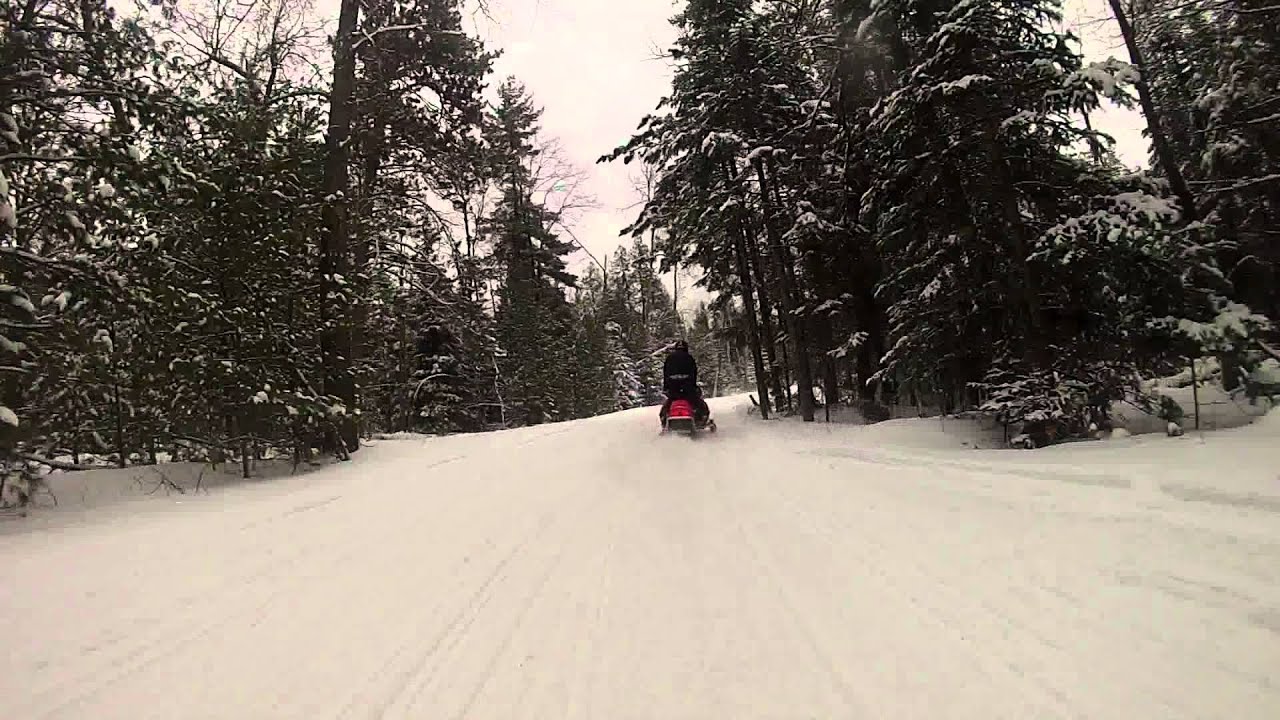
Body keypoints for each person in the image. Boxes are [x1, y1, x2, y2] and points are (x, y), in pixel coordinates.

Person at [660, 339, 710, 425]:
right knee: (698, 403)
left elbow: (666, 374)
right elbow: (694, 373)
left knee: (668, 404)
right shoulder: (689, 358)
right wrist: (693, 386)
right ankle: (701, 419)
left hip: (673, 389)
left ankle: (664, 419)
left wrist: (666, 387)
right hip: (688, 388)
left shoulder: (669, 358)